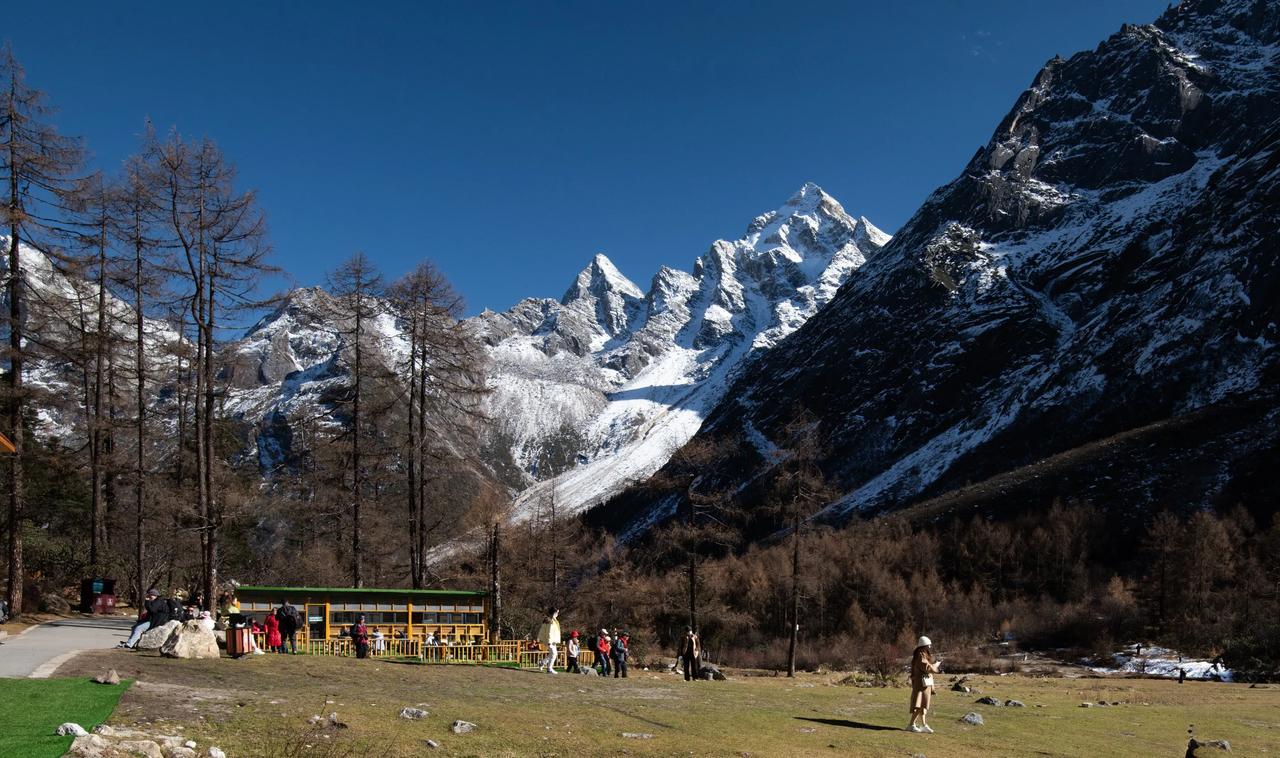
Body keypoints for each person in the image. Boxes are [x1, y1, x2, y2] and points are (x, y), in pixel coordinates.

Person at [908, 635, 941, 733]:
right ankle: (911, 724)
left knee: (923, 706)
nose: (930, 647)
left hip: (924, 683)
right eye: (928, 645)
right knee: (919, 705)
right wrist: (935, 666)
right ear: (924, 645)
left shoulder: (922, 653)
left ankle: (923, 725)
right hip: (921, 684)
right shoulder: (920, 654)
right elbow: (926, 667)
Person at [537, 608, 561, 674]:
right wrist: (549, 641)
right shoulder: (550, 621)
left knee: (552, 654)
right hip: (550, 640)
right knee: (554, 654)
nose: (558, 614)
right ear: (554, 613)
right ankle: (549, 669)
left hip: (552, 640)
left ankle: (542, 662)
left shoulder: (553, 620)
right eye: (557, 612)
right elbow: (549, 632)